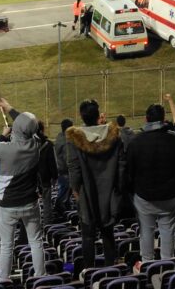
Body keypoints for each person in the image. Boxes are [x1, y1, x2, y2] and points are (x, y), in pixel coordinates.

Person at [0, 97, 49, 282]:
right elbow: (30, 125)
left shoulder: (4, 148)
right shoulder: (37, 145)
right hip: (30, 203)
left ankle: (4, 278)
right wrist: (10, 109)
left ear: (16, 129)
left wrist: (1, 137)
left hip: (8, 206)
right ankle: (40, 277)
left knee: (6, 245)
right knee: (36, 242)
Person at [124, 96, 175, 266]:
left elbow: (128, 173)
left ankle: (147, 265)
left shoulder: (136, 142)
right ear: (163, 119)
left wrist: (134, 193)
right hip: (170, 197)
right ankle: (167, 268)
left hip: (145, 198)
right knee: (167, 231)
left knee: (146, 231)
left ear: (146, 119)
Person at [66, 99, 125, 273]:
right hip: (109, 192)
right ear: (98, 115)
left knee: (88, 235)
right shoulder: (114, 135)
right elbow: (122, 166)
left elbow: (74, 169)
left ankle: (89, 271)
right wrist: (119, 189)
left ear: (82, 117)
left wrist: (75, 189)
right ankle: (110, 270)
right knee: (108, 233)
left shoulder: (75, 139)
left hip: (87, 194)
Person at [37, 121, 59, 226]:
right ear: (42, 130)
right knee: (46, 203)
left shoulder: (28, 144)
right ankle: (47, 224)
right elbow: (52, 162)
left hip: (31, 179)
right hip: (45, 178)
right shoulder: (48, 144)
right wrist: (54, 176)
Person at [54, 119, 73, 216]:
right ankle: (59, 207)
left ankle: (65, 205)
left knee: (65, 189)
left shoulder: (59, 136)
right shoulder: (65, 140)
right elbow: (67, 158)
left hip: (60, 169)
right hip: (65, 170)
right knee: (65, 190)